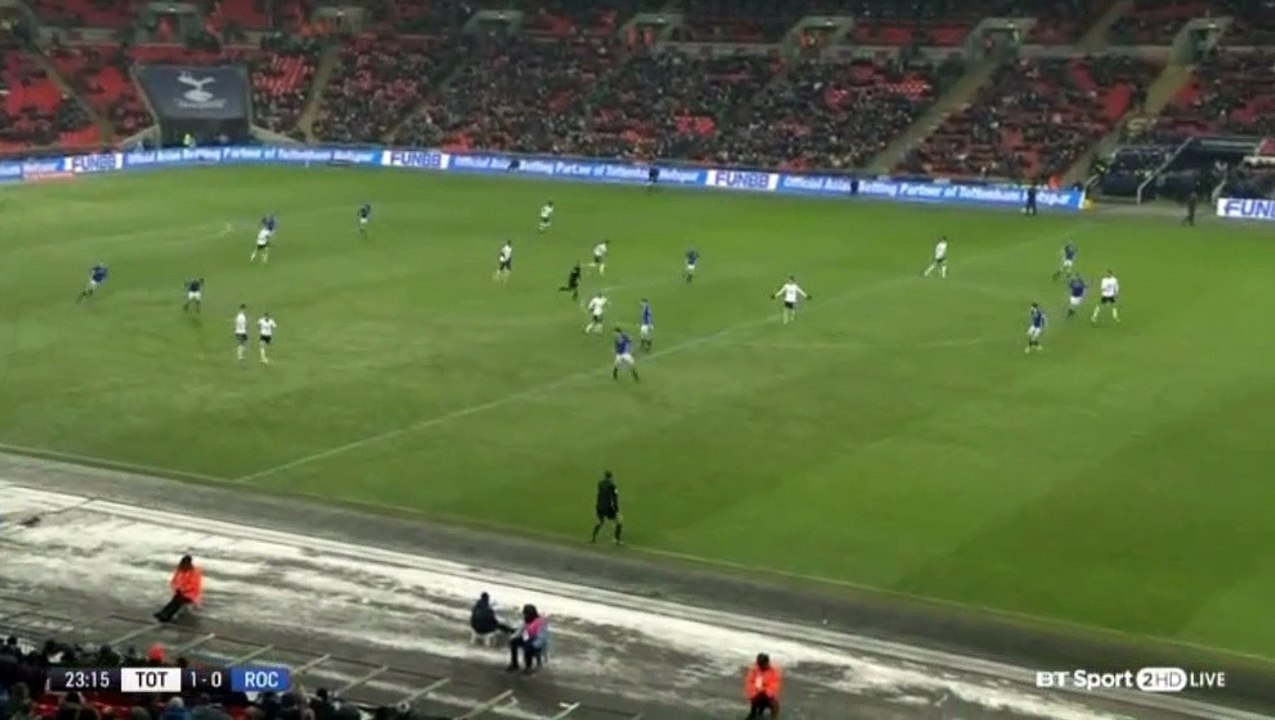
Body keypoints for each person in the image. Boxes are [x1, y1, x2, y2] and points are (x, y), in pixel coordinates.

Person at [154, 555, 202, 623]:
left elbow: (193, 585)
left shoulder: (194, 572)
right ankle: (164, 613)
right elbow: (173, 581)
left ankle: (167, 615)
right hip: (180, 592)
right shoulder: (179, 570)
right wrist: (177, 588)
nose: (183, 565)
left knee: (178, 601)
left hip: (191, 594)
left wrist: (183, 589)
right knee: (175, 600)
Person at [506, 604, 548, 673]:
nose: (525, 616)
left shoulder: (541, 622)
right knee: (514, 642)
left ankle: (528, 667)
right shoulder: (527, 620)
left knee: (528, 646)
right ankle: (514, 664)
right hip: (528, 639)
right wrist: (512, 638)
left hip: (538, 642)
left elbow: (542, 638)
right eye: (525, 614)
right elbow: (520, 631)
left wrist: (533, 645)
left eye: (527, 614)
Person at [744, 653, 781, 718]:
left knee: (775, 704)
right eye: (759, 664)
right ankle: (754, 714)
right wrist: (754, 693)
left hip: (768, 697)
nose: (760, 666)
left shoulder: (774, 672)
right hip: (756, 695)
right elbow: (749, 683)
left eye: (762, 664)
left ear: (767, 663)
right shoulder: (754, 670)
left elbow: (774, 687)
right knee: (754, 704)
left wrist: (764, 691)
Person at [590, 470, 622, 544]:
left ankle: (593, 538)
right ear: (611, 477)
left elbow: (599, 495)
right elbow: (614, 497)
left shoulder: (600, 484)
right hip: (608, 507)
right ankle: (617, 539)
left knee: (600, 522)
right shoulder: (612, 485)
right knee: (619, 521)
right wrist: (616, 509)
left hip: (600, 506)